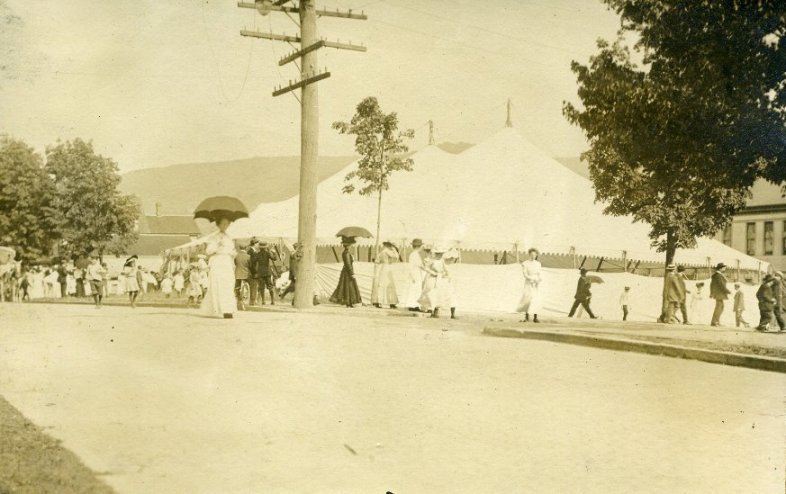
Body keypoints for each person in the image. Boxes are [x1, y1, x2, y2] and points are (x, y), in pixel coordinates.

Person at [202, 216, 237, 319]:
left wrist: (233, 253)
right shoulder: (213, 237)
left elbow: (232, 251)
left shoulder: (230, 237)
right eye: (223, 224)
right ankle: (217, 309)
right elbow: (208, 251)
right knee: (218, 284)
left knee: (228, 284)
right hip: (217, 262)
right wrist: (217, 246)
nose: (225, 226)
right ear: (218, 224)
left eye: (227, 224)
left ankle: (228, 310)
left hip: (227, 262)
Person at [329, 237, 362, 308]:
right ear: (347, 245)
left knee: (348, 286)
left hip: (347, 271)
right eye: (350, 245)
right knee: (348, 286)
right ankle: (349, 302)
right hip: (347, 272)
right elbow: (348, 264)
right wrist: (351, 273)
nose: (350, 246)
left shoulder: (347, 253)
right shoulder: (346, 253)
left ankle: (349, 302)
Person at [419, 246, 450, 318]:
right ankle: (431, 309)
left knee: (438, 294)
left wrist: (446, 274)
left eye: (441, 254)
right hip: (432, 278)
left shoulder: (442, 261)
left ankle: (436, 310)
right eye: (439, 253)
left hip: (439, 279)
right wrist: (432, 272)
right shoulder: (432, 260)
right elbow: (425, 268)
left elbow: (445, 269)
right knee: (431, 293)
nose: (440, 255)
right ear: (436, 254)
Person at [517, 247, 542, 323]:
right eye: (531, 254)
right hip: (528, 283)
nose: (533, 256)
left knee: (536, 299)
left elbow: (539, 274)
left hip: (536, 284)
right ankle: (527, 317)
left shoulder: (538, 264)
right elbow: (525, 274)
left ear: (536, 255)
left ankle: (535, 317)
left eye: (534, 255)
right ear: (529, 254)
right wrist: (531, 279)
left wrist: (538, 280)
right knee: (528, 299)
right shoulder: (525, 263)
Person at [372, 241, 400, 309]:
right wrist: (395, 250)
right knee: (388, 285)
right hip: (387, 267)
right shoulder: (387, 251)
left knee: (382, 284)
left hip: (383, 267)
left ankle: (378, 301)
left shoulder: (382, 252)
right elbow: (396, 257)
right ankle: (391, 303)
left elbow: (377, 261)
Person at [405, 239, 425, 312]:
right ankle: (414, 305)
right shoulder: (415, 255)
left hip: (415, 273)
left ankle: (413, 305)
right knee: (416, 290)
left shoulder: (413, 254)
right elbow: (419, 265)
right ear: (418, 246)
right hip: (415, 274)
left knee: (414, 290)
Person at [234, 243, 251, 309]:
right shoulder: (248, 256)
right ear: (246, 248)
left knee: (237, 287)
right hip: (245, 274)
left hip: (237, 273)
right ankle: (245, 297)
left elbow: (235, 263)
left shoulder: (236, 256)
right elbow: (250, 265)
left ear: (240, 248)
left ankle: (239, 299)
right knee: (247, 285)